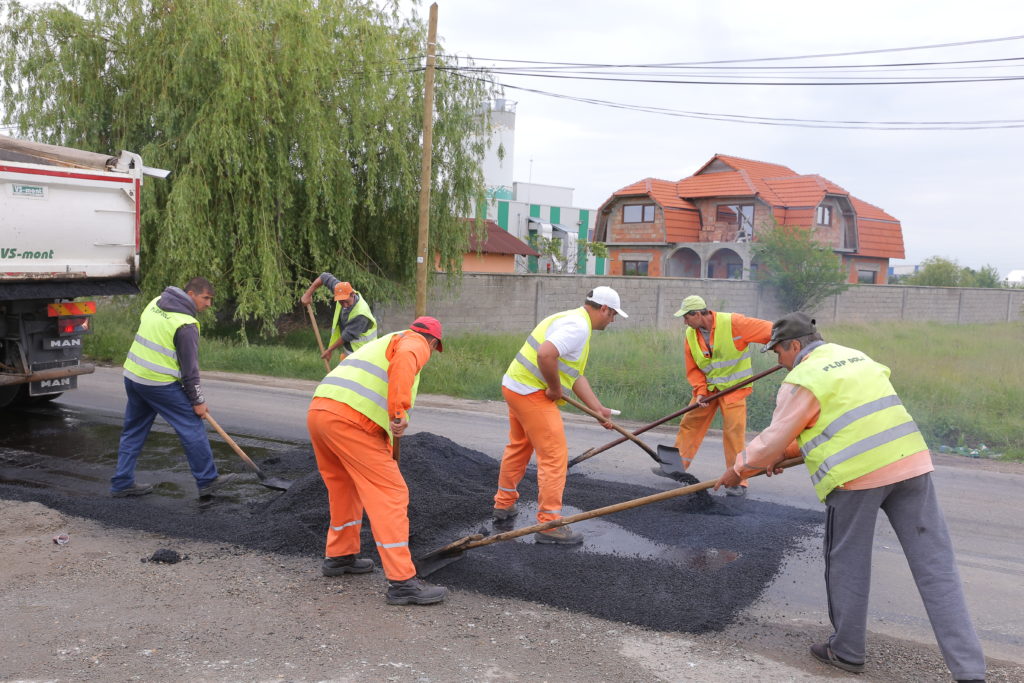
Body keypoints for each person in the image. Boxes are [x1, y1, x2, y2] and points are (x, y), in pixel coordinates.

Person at [715, 312, 986, 682]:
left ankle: (847, 651)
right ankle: (970, 671)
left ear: (794, 346)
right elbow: (842, 419)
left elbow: (775, 437)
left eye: (777, 351)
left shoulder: (803, 378)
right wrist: (785, 454)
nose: (778, 361)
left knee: (848, 563)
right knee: (937, 569)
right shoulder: (856, 357)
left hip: (857, 478)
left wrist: (739, 468)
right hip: (912, 464)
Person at [307, 315, 447, 606]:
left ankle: (340, 556)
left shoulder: (388, 340)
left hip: (321, 411)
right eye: (434, 349)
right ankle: (402, 582)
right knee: (391, 493)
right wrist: (399, 412)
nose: (430, 354)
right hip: (350, 420)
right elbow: (406, 360)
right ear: (433, 342)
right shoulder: (415, 342)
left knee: (344, 487)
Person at [492, 286, 626, 544]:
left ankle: (504, 504)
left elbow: (573, 375)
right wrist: (554, 388)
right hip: (530, 391)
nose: (613, 321)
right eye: (613, 315)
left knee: (520, 447)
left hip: (515, 385)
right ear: (604, 309)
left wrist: (598, 410)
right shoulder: (578, 328)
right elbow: (546, 354)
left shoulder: (569, 318)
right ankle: (550, 524)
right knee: (554, 455)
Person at [112, 277, 238, 498]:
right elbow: (190, 372)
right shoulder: (185, 325)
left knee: (133, 431)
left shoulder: (156, 302)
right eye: (206, 298)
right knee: (192, 427)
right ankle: (208, 480)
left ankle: (122, 483)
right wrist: (198, 402)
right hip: (158, 384)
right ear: (191, 295)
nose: (209, 304)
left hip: (133, 376)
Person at [660, 295, 772, 496]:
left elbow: (771, 330)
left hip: (734, 390)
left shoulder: (733, 323)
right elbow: (693, 367)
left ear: (697, 314)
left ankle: (737, 481)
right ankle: (676, 468)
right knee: (690, 422)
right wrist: (701, 392)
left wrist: (785, 345)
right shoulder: (690, 334)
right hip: (709, 390)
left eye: (686, 317)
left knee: (733, 434)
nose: (684, 322)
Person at [300, 272, 378, 364]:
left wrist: (329, 350)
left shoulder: (361, 314)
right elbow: (324, 277)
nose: (344, 305)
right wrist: (308, 294)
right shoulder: (341, 290)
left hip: (363, 354)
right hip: (349, 350)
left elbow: (346, 336)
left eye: (346, 302)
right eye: (341, 302)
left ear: (352, 294)